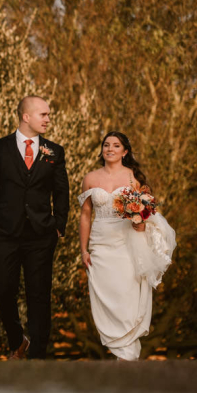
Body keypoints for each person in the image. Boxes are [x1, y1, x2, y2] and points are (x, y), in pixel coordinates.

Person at [0, 96, 69, 359]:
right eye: (43, 114)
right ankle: (17, 339)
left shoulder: (54, 151)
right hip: (4, 234)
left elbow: (61, 191)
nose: (48, 119)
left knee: (39, 297)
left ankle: (38, 358)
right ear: (25, 117)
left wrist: (59, 226)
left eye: (49, 114)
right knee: (3, 288)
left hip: (41, 235)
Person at [78, 132, 176, 360]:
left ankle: (128, 359)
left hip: (126, 246)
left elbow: (145, 215)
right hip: (100, 246)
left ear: (125, 151)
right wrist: (83, 249)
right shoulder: (90, 178)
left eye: (116, 145)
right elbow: (85, 215)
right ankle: (120, 355)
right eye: (106, 145)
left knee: (127, 298)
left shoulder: (133, 179)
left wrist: (140, 224)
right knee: (105, 296)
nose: (109, 149)